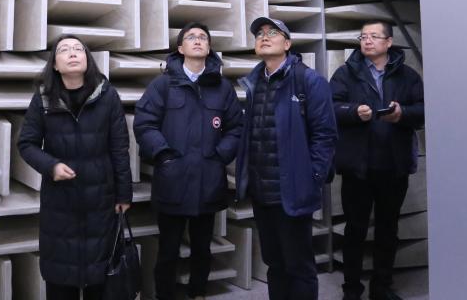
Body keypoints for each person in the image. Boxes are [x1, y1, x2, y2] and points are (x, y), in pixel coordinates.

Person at [18, 35, 132, 300]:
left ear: (87, 59)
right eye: (64, 50)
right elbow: (27, 144)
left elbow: (119, 148)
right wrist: (51, 166)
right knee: (61, 281)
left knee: (100, 280)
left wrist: (124, 194)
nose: (72, 53)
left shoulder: (107, 96)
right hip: (60, 203)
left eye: (78, 49)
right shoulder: (43, 99)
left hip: (101, 201)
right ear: (54, 64)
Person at [134, 22, 243, 300]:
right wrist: (163, 155)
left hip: (209, 181)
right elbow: (145, 124)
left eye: (203, 37)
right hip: (173, 181)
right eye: (191, 37)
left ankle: (198, 293)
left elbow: (236, 128)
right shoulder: (163, 85)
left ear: (209, 48)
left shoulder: (222, 88)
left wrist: (220, 156)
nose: (197, 40)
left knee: (202, 248)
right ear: (181, 48)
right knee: (168, 250)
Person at [235, 17, 337, 300]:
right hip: (262, 192)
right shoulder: (254, 82)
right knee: (275, 264)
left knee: (299, 266)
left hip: (292, 191)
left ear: (288, 44)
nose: (264, 36)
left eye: (273, 32)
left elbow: (325, 135)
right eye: (259, 33)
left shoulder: (309, 81)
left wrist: (311, 177)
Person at [331, 20, 425, 300]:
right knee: (355, 230)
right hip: (358, 168)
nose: (367, 41)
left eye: (374, 36)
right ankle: (352, 290)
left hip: (394, 167)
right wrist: (352, 112)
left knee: (388, 229)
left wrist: (402, 114)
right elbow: (330, 108)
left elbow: (424, 110)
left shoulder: (408, 76)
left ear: (389, 42)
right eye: (363, 36)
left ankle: (382, 288)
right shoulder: (345, 73)